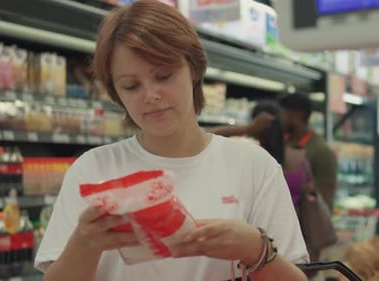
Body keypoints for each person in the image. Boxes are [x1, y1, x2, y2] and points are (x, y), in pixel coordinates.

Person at [34, 1, 309, 281]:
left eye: (164, 76)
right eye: (131, 86)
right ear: (116, 92)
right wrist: (85, 242)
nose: (151, 95)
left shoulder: (254, 167)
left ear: (193, 69)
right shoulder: (92, 169)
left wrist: (255, 249)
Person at [210, 101, 313, 209]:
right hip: (294, 224)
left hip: (254, 225)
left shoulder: (248, 160)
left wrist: (247, 128)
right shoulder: (301, 160)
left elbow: (205, 135)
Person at [278, 93, 337, 211]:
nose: (278, 119)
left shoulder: (321, 152)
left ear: (295, 115)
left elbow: (326, 201)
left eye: (282, 113)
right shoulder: (281, 144)